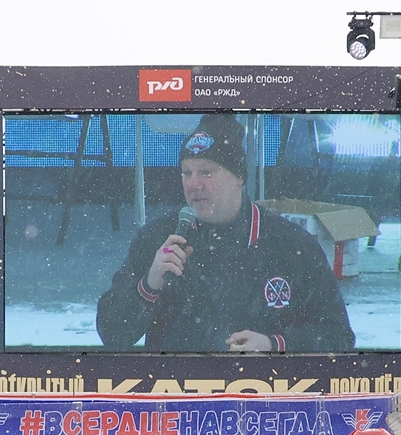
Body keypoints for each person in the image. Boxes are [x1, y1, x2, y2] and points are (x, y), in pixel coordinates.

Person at [95, 114, 354, 353]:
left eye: (206, 172)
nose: (193, 184)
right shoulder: (158, 239)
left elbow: (338, 337)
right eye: (187, 172)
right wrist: (148, 286)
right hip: (177, 394)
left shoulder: (290, 244)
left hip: (261, 396)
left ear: (239, 177)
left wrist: (273, 344)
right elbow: (112, 335)